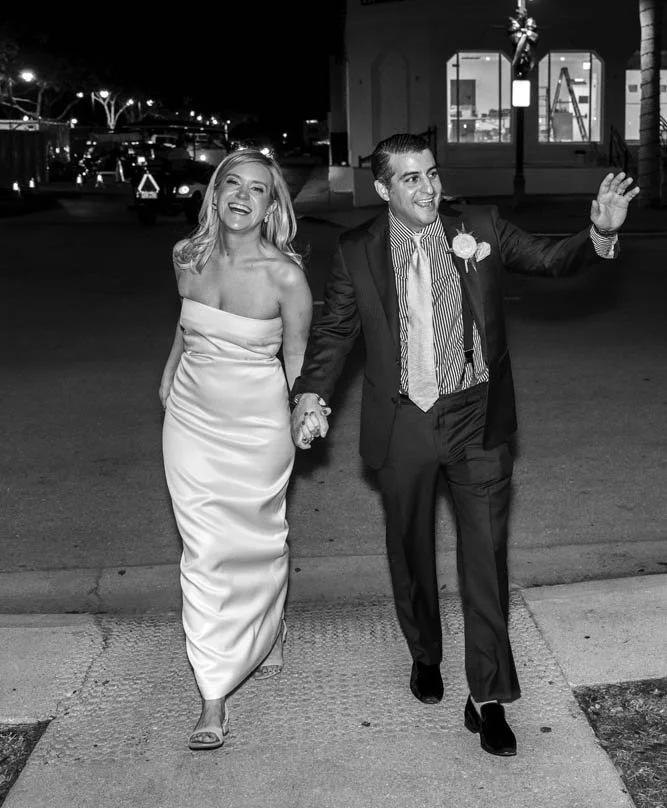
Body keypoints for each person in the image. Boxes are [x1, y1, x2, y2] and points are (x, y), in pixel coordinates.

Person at [290, 133, 639, 758]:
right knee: (410, 547)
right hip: (402, 421)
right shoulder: (357, 250)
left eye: (431, 175)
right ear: (383, 189)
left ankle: (488, 697)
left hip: (475, 416)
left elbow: (548, 258)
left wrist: (598, 234)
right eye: (411, 180)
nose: (429, 189)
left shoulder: (478, 228)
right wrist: (312, 393)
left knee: (486, 557)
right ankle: (425, 651)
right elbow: (337, 330)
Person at [160, 147, 313, 751]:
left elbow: (296, 357)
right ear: (215, 193)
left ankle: (267, 627)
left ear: (272, 204)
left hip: (257, 423)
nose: (242, 196)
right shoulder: (186, 256)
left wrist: (305, 409)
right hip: (192, 415)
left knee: (258, 538)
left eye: (257, 188)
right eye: (232, 184)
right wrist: (169, 372)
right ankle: (213, 694)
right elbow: (184, 322)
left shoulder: (286, 277)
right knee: (204, 549)